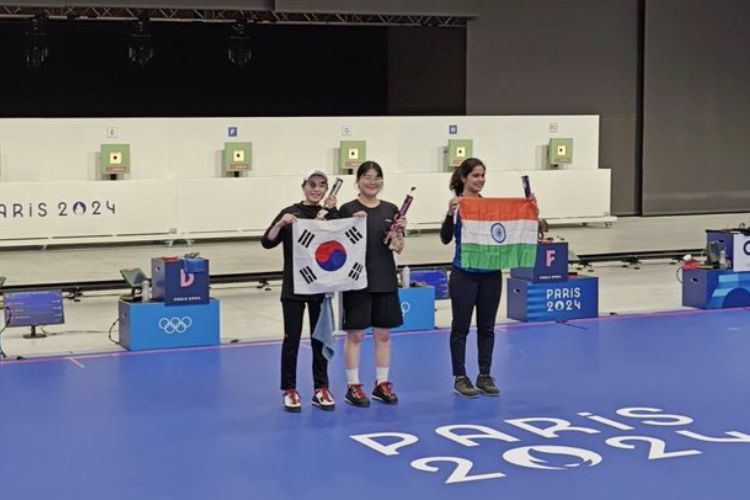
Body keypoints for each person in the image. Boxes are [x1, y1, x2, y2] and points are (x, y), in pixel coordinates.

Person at [261, 169, 338, 412]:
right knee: (291, 339)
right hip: (294, 287)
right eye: (312, 184)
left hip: (320, 287)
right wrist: (281, 222)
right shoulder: (290, 213)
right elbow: (267, 241)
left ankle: (321, 387)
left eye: (322, 185)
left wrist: (338, 215)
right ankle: (290, 389)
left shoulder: (331, 213)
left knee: (320, 338)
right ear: (303, 186)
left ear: (327, 189)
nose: (316, 189)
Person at [339, 161, 406, 407]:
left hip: (384, 277)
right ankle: (353, 385)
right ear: (357, 180)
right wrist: (348, 224)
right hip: (356, 280)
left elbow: (398, 248)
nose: (372, 181)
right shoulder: (348, 208)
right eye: (367, 176)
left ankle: (381, 382)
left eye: (377, 177)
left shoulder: (391, 209)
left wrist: (398, 234)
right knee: (355, 334)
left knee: (383, 334)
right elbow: (335, 245)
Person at [440, 157, 502, 398]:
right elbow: (445, 238)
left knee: (487, 327)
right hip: (464, 274)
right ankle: (460, 377)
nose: (480, 180)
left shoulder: (492, 207)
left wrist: (529, 212)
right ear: (464, 178)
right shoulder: (457, 206)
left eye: (483, 175)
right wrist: (448, 215)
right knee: (461, 327)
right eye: (475, 175)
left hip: (491, 275)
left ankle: (484, 375)